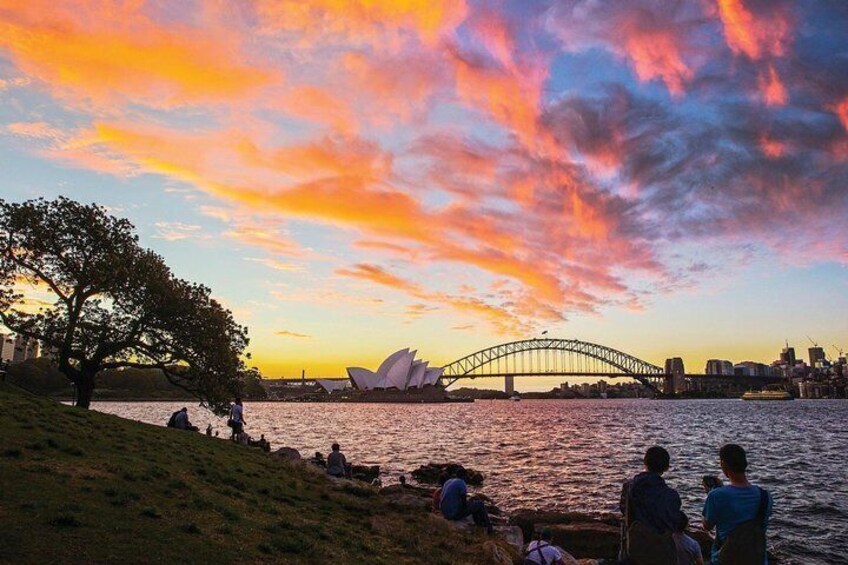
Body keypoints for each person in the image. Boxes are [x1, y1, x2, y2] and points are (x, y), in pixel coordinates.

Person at [703, 444, 772, 564]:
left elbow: (707, 526)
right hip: (756, 559)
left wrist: (711, 494)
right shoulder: (765, 496)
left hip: (725, 559)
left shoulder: (716, 495)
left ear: (723, 464)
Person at [619, 446, 681, 563]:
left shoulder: (628, 487)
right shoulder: (671, 495)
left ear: (645, 462)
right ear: (666, 467)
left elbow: (624, 511)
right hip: (662, 554)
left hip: (634, 551)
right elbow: (673, 523)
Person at [439, 466, 493, 534]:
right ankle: (488, 526)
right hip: (453, 515)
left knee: (473, 502)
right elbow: (464, 504)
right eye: (467, 475)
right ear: (464, 476)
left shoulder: (448, 481)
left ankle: (479, 523)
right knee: (479, 504)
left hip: (444, 512)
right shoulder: (462, 483)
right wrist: (470, 503)